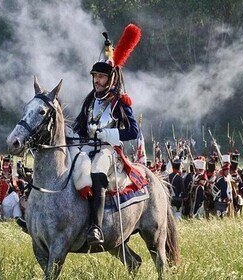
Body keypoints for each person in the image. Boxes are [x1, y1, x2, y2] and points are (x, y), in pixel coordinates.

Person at [72, 25, 141, 245]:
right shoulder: (90, 100)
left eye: (101, 77)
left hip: (108, 151)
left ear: (110, 78)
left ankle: (96, 227)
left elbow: (132, 131)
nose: (97, 81)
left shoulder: (120, 101)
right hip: (86, 148)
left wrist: (106, 134)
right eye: (95, 77)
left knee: (97, 172)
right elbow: (80, 127)